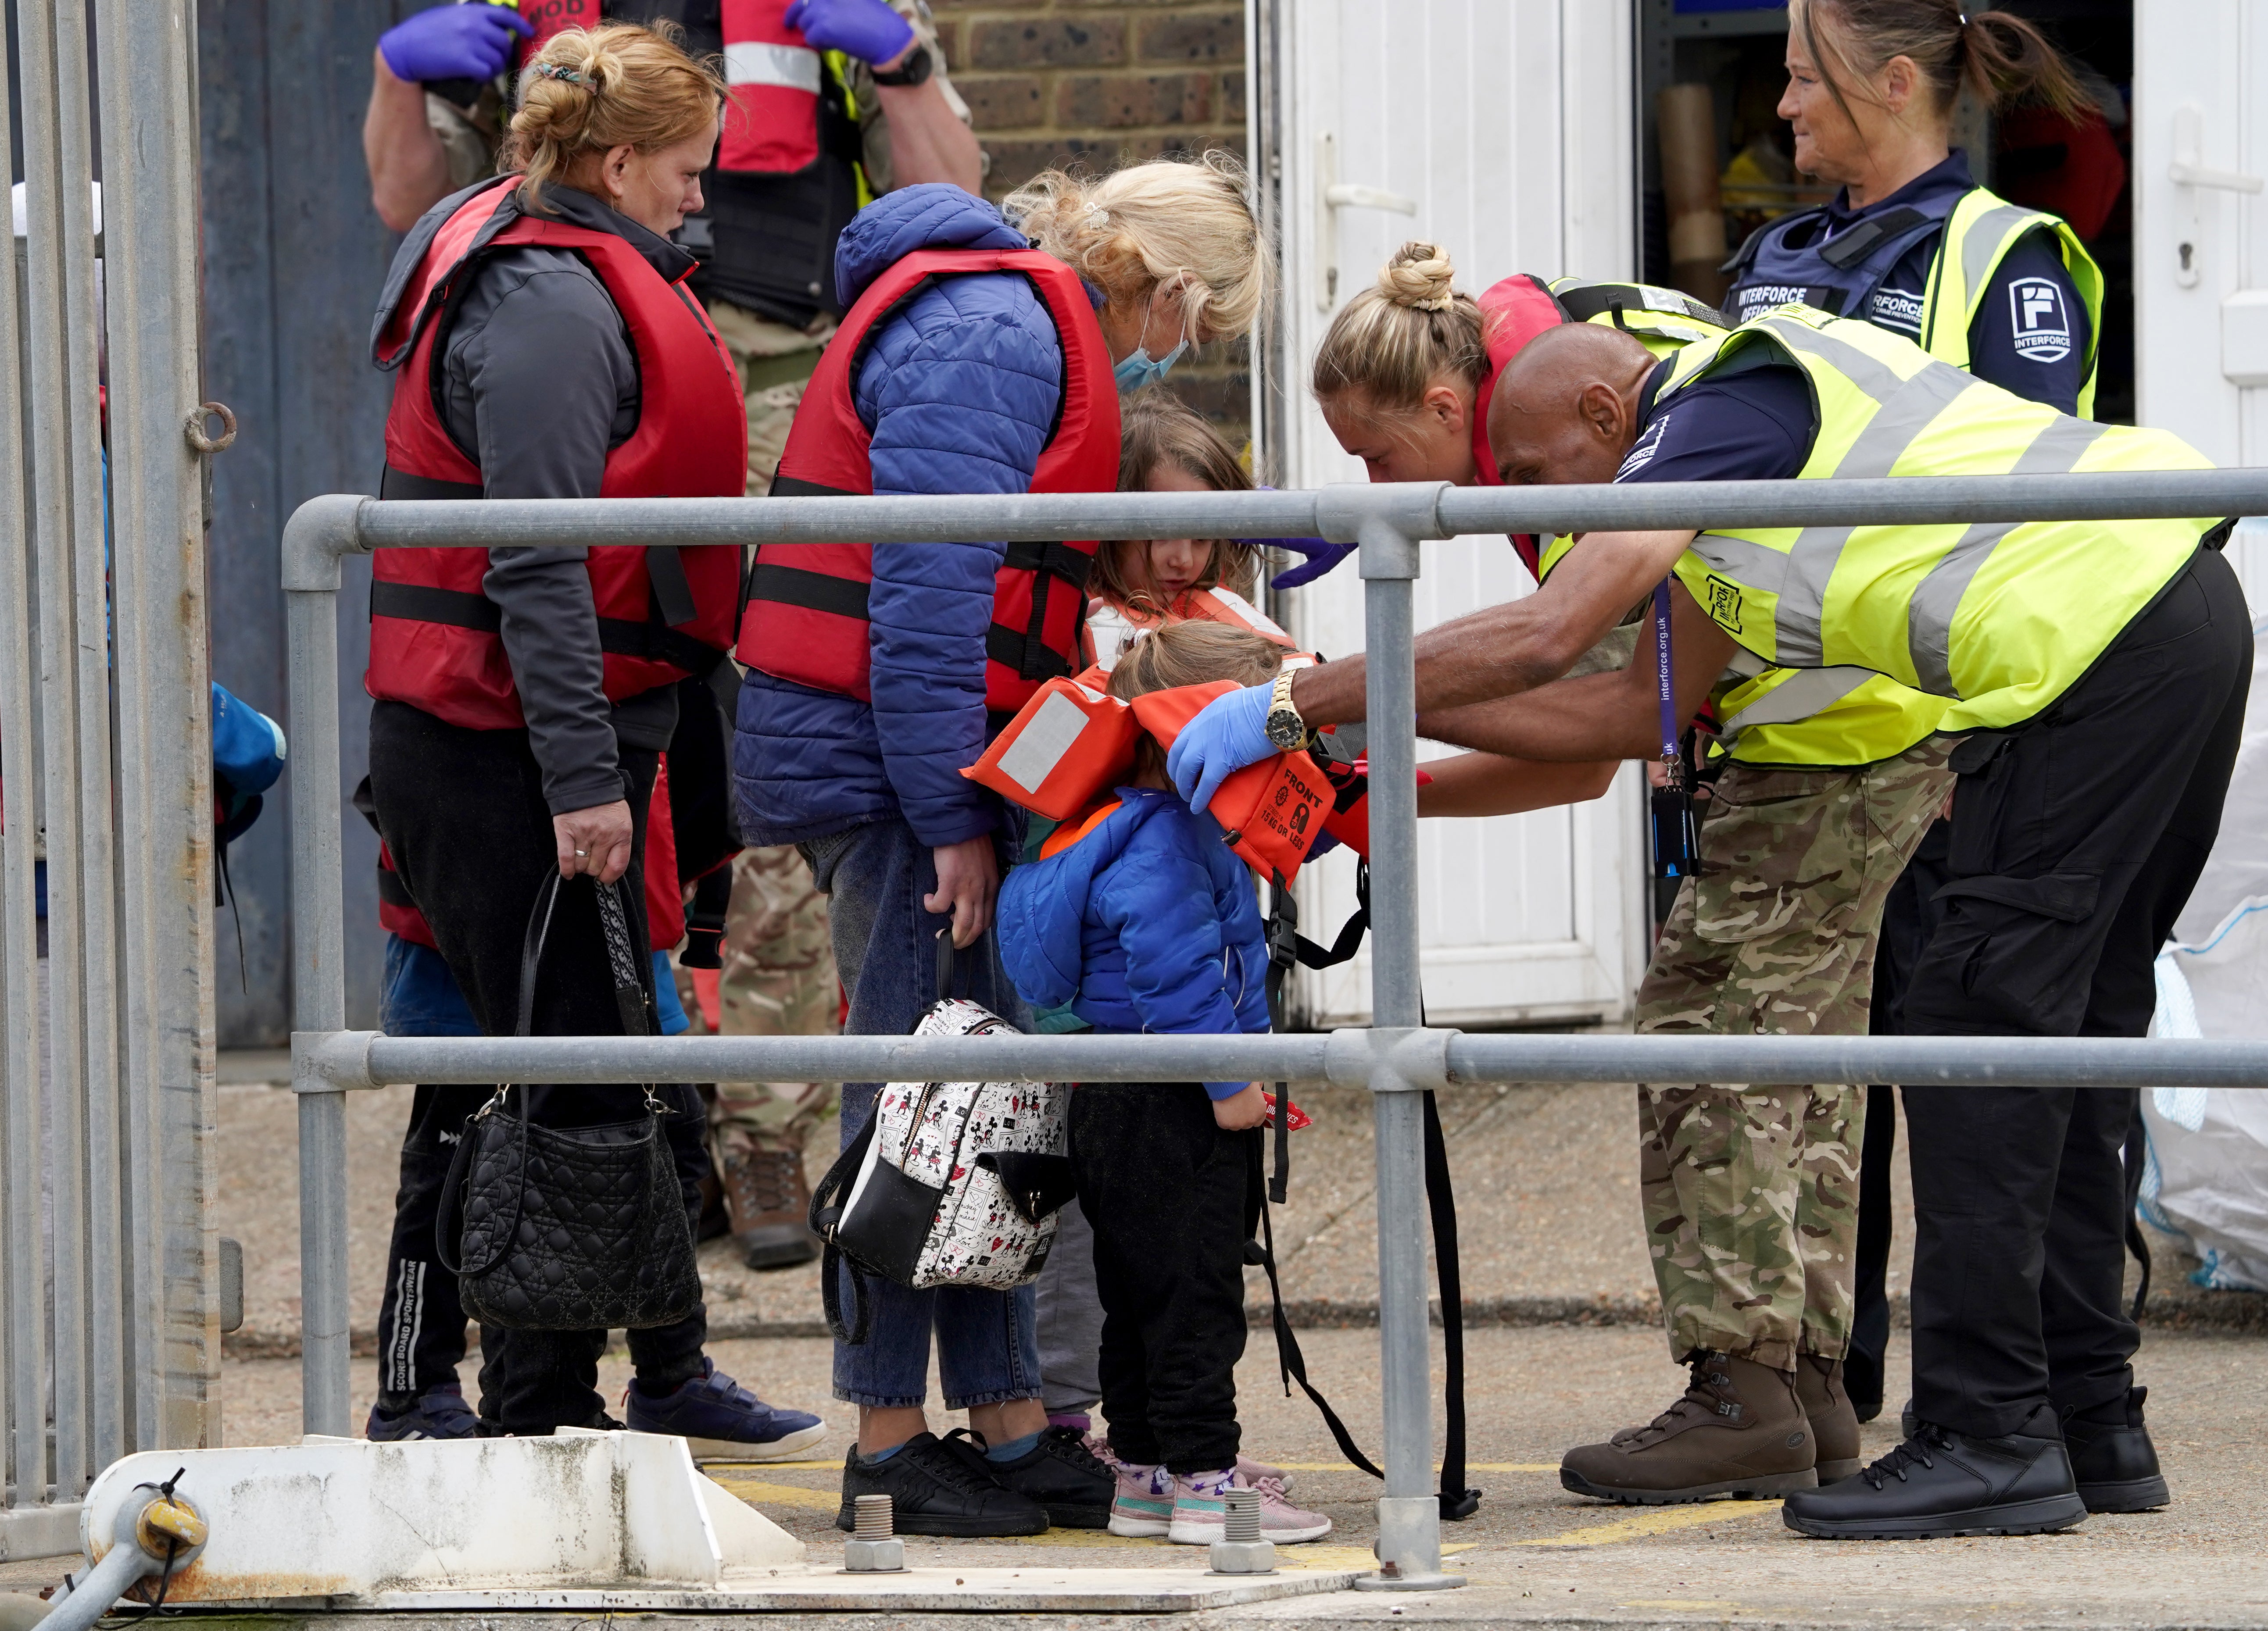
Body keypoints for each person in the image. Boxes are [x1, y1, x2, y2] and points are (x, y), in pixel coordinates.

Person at [1172, 307, 2247, 1538]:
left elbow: (1550, 632)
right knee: (2072, 1033)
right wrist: (1384, 752)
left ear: (1605, 418)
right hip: (2167, 614)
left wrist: (1295, 702)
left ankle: (1986, 1433)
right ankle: (2093, 1422)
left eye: (1527, 475)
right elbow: (1625, 715)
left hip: (2091, 650)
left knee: (1972, 1029)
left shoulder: (1715, 409)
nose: (1522, 506)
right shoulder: (1723, 495)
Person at [361, 0, 984, 1277]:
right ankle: (646, 1125)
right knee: (598, 762)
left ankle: (760, 1125)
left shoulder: (827, 17)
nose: (695, 190)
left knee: (760, 761)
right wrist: (392, 73)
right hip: (586, 354)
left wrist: (898, 60)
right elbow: (402, 197)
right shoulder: (525, 29)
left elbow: (956, 194)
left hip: (773, 374)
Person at [729, 153, 1273, 1535]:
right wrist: (954, 823)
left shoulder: (1005, 321)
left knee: (990, 1106)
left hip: (921, 764)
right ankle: (889, 1437)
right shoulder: (994, 330)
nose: (1175, 362)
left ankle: (1007, 1416)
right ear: (1174, 289)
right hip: (898, 772)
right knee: (914, 1106)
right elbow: (924, 601)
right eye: (1194, 334)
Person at [361, 20, 819, 1454]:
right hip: (508, 748)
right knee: (537, 1081)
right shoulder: (549, 305)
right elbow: (538, 562)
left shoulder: (579, 266)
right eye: (687, 169)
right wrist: (580, 785)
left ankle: (650, 1373)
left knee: (621, 1060)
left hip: (587, 728)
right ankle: (509, 1412)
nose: (703, 197)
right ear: (616, 162)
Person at [1728, 0, 2112, 1427]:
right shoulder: (1777, 257)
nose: (1781, 109)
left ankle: (2038, 1397)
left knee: (1970, 1088)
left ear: (1896, 80)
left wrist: (1985, 740)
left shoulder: (2001, 256)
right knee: (1810, 1093)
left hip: (1937, 749)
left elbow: (2029, 519)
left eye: (1799, 75)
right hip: (1780, 748)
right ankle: (1834, 1380)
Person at [994, 621, 1334, 1547]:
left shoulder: (1102, 825)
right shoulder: (1166, 842)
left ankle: (1142, 1474)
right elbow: (1176, 972)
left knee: (1135, 1293)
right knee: (1194, 1300)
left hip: (1109, 1094)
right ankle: (1207, 1485)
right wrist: (1230, 1081)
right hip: (1172, 1098)